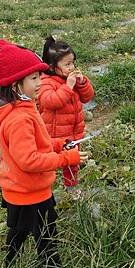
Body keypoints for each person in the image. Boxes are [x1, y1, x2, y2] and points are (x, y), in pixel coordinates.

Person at [0, 39, 87, 268]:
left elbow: (38, 145)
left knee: (19, 232)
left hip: (20, 189)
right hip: (31, 191)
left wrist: (59, 144)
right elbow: (29, 160)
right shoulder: (19, 118)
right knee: (46, 235)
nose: (40, 82)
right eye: (34, 78)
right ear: (16, 84)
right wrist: (67, 158)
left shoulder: (22, 107)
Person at [38, 36, 94, 198]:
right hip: (53, 134)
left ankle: (72, 186)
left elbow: (87, 97)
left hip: (73, 131)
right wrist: (68, 86)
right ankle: (44, 187)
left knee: (72, 161)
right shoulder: (46, 81)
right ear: (52, 66)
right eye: (67, 64)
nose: (72, 67)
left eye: (73, 63)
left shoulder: (71, 80)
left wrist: (82, 83)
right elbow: (50, 102)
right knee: (49, 161)